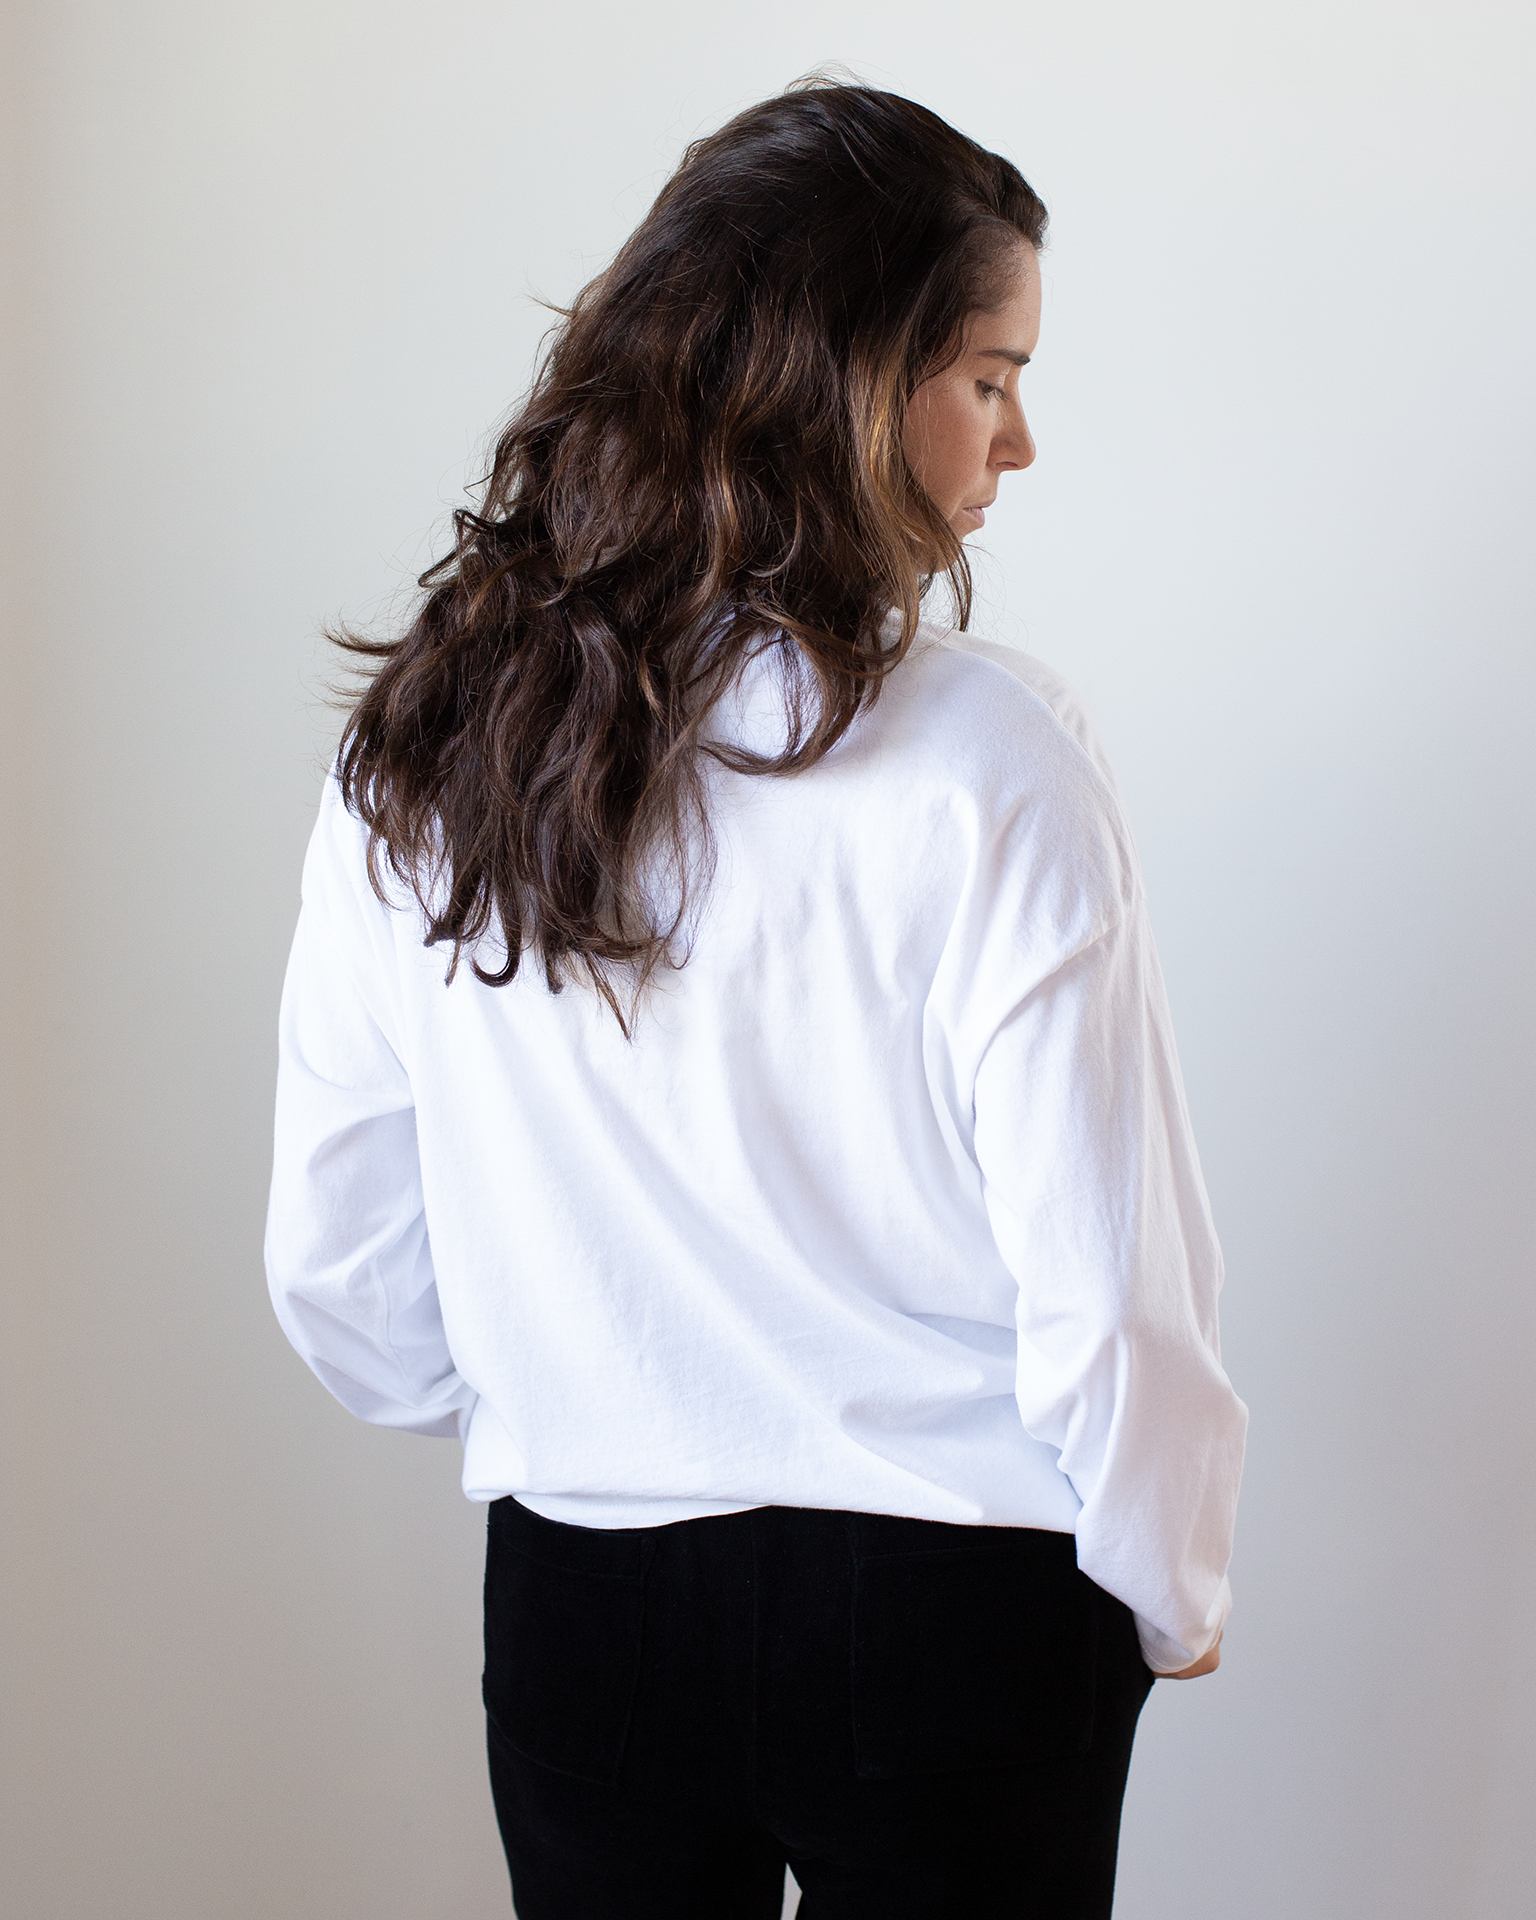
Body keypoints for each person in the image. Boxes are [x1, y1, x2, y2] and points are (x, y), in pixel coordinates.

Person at [265, 79, 1247, 1920]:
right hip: (955, 1603)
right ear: (844, 385)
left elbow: (342, 1277)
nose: (1018, 440)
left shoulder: (424, 746)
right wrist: (1170, 1576)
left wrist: (589, 1398)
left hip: (585, 1602)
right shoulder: (991, 751)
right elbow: (1111, 1271)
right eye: (986, 372)